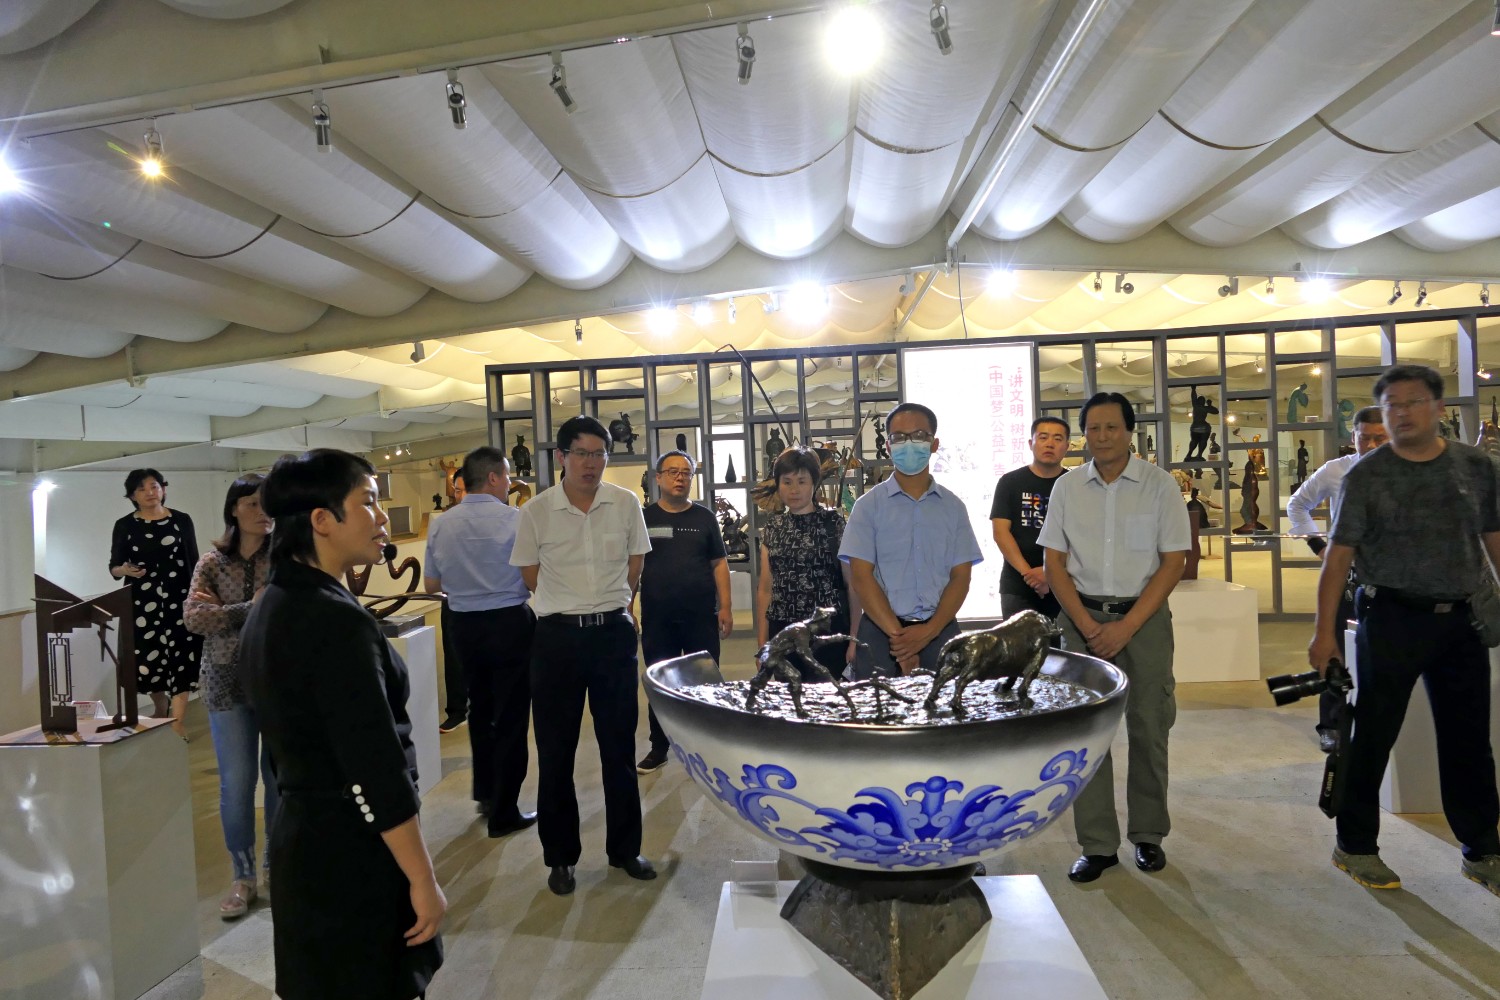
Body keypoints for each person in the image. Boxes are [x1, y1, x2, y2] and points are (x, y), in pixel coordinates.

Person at [240, 449, 444, 1000]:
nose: (381, 517)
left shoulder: (275, 602)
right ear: (321, 520)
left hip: (305, 843)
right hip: (350, 857)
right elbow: (374, 767)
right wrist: (422, 878)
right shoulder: (332, 621)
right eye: (368, 503)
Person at [1308, 365, 1500, 895]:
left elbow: (1494, 538)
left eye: (1413, 401)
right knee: (1373, 733)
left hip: (1462, 618)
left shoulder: (1475, 467)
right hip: (1391, 616)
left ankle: (1483, 849)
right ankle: (1355, 845)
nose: (1402, 413)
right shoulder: (1367, 476)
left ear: (1439, 409)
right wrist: (1324, 634)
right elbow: (1338, 557)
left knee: (1469, 738)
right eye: (1392, 404)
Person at [1037, 394, 1191, 883]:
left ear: (1128, 431)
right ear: (1084, 435)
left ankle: (1148, 834)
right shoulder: (1067, 487)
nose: (1102, 437)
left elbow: (1173, 562)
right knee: (1089, 736)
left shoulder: (1159, 485)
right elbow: (1054, 563)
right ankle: (1098, 845)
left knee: (1149, 728)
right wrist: (1086, 626)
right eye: (1093, 429)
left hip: (1143, 621)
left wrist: (1125, 626)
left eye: (1111, 427)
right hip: (1080, 619)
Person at [510, 414, 656, 896]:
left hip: (612, 635)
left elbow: (635, 562)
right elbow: (530, 574)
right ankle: (560, 857)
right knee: (556, 752)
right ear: (562, 457)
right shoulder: (537, 511)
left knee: (619, 748)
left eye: (599, 454)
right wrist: (569, 603)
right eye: (582, 454)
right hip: (556, 639)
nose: (591, 463)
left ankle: (625, 850)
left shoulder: (625, 503)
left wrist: (613, 602)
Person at [424, 447, 537, 837]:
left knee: (480, 709)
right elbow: (531, 578)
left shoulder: (441, 524)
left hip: (463, 625)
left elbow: (432, 585)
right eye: (506, 476)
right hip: (509, 623)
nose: (509, 483)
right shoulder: (516, 520)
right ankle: (505, 811)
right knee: (511, 717)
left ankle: (486, 795)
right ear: (492, 478)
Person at [183, 474, 277, 920]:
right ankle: (242, 877)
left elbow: (285, 610)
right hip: (224, 682)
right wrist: (249, 607)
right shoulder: (211, 562)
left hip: (275, 679)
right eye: (253, 504)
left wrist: (225, 611)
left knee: (278, 780)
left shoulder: (284, 559)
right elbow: (194, 619)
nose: (263, 512)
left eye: (267, 504)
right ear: (234, 509)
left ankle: (276, 865)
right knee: (236, 785)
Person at [839, 403, 982, 677]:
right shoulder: (868, 506)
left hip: (940, 630)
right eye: (899, 437)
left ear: (934, 444)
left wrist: (929, 631)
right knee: (879, 704)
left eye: (918, 436)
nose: (908, 444)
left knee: (945, 702)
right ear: (888, 447)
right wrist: (902, 641)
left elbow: (961, 577)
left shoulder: (953, 507)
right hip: (880, 633)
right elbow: (861, 577)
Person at [1286, 406, 1388, 752]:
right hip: (1349, 577)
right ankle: (1332, 724)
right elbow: (1297, 505)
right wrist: (1320, 548)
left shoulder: (1405, 472)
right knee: (1337, 653)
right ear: (1353, 436)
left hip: (1392, 580)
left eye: (1379, 438)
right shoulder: (1336, 470)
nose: (1371, 445)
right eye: (1365, 438)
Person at [635, 450, 731, 774]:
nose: (680, 477)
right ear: (658, 477)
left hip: (700, 616)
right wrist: (627, 606)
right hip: (658, 618)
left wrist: (726, 606)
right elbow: (633, 566)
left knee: (704, 683)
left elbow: (719, 564)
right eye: (672, 472)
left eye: (686, 473)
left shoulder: (704, 517)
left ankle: (706, 747)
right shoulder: (644, 518)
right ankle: (659, 747)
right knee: (659, 682)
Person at [109, 468, 202, 738]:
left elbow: (193, 560)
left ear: (163, 489)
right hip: (141, 601)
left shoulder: (181, 519)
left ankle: (177, 720)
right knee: (147, 658)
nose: (150, 492)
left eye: (155, 486)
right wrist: (126, 570)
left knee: (183, 654)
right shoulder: (125, 525)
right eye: (142, 489)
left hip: (179, 597)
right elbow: (114, 566)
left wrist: (198, 595)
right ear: (132, 496)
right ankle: (161, 707)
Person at [757, 446, 860, 676]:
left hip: (827, 631)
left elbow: (852, 586)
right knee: (788, 694)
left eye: (802, 481)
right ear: (778, 485)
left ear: (814, 483)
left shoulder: (834, 524)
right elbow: (765, 589)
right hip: (783, 631)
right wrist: (763, 643)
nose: (794, 489)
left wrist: (854, 637)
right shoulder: (773, 528)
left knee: (827, 694)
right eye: (787, 482)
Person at [990, 416, 1068, 621]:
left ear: (1067, 446)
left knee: (1062, 642)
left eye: (1057, 438)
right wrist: (1030, 575)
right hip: (1017, 586)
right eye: (1043, 437)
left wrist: (1049, 574)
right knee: (1019, 642)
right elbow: (1000, 532)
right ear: (1030, 443)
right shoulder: (1010, 482)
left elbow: (1082, 537)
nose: (1050, 444)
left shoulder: (1073, 485)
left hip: (1064, 584)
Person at [437, 471, 468, 735]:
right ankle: (457, 711)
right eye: (457, 490)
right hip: (453, 598)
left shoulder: (503, 519)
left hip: (489, 601)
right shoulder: (444, 523)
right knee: (454, 657)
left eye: (465, 489)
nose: (461, 495)